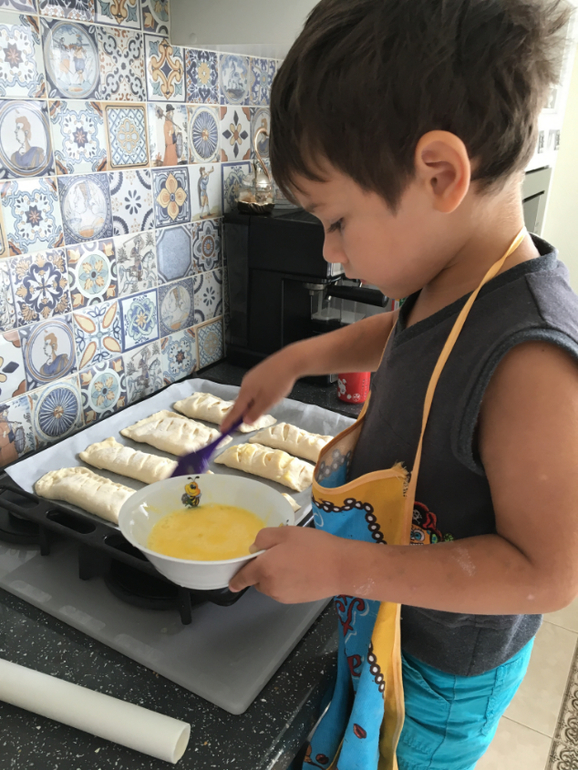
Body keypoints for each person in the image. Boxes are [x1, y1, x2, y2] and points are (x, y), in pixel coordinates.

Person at [221, 2, 578, 769]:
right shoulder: (450, 279)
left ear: (439, 174)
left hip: (443, 680)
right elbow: (407, 335)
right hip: (392, 615)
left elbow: (547, 575)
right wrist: (296, 359)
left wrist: (342, 566)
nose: (329, 251)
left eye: (336, 221)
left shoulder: (533, 358)